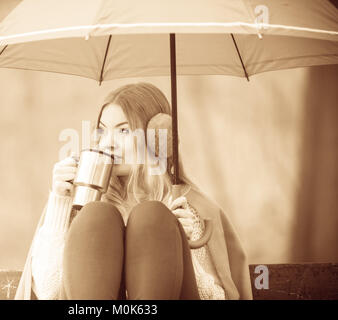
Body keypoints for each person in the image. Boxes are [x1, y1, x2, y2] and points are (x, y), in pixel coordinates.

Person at [15, 82, 252, 300]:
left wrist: (184, 245)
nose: (107, 142)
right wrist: (60, 201)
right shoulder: (81, 202)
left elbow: (217, 297)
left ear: (157, 138)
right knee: (97, 217)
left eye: (123, 131)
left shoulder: (185, 207)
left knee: (153, 217)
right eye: (102, 130)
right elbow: (48, 291)